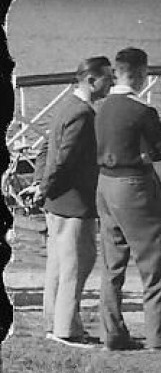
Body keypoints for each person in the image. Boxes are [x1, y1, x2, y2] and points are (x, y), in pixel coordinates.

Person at [19, 56, 114, 346]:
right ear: (91, 80)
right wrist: (43, 188)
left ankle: (54, 323)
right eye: (107, 79)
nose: (111, 84)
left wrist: (39, 184)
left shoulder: (65, 106)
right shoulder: (84, 113)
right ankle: (66, 330)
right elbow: (65, 160)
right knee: (78, 264)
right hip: (74, 203)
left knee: (58, 267)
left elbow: (46, 150)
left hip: (57, 201)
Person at [95, 47, 161, 351]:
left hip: (105, 184)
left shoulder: (101, 106)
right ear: (141, 73)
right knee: (157, 260)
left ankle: (112, 333)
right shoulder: (142, 111)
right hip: (134, 184)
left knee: (112, 263)